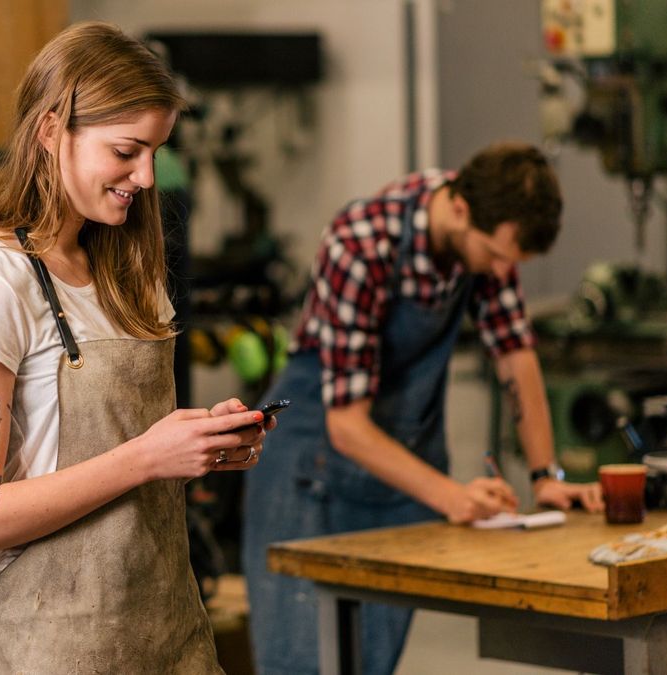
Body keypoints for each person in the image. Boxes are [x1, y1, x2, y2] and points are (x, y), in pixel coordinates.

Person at [0, 21, 269, 673]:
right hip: (54, 646)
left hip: (168, 632)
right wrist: (148, 455)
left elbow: (139, 446)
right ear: (52, 131)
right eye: (126, 151)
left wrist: (198, 444)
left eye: (155, 151)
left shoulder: (129, 270)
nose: (146, 176)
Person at [241, 142, 605, 675]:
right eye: (496, 254)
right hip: (313, 470)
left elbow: (516, 358)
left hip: (400, 476)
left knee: (371, 665)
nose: (503, 270)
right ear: (459, 209)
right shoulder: (363, 243)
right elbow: (347, 427)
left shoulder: (483, 232)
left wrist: (546, 476)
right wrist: (452, 496)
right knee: (304, 663)